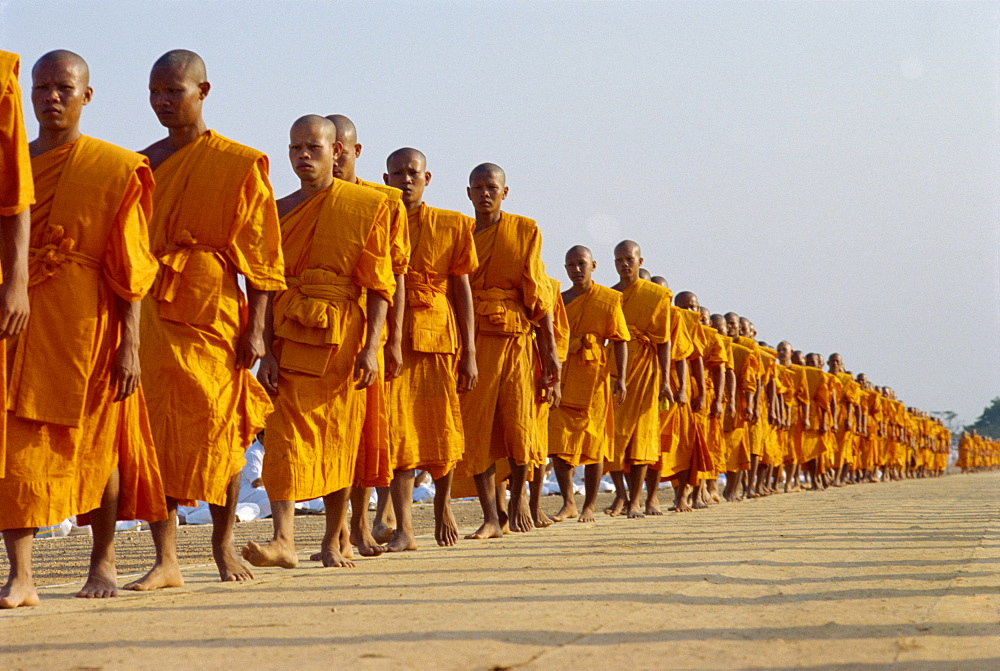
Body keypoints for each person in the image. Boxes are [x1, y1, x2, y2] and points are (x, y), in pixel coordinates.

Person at [3, 50, 165, 609]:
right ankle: (21, 575)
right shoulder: (13, 168)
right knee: (16, 450)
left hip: (89, 329)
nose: (51, 96)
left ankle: (104, 560)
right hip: (18, 325)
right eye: (42, 86)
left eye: (63, 88)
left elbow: (132, 268)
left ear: (86, 96)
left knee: (101, 448)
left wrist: (131, 347)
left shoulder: (115, 168)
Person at [126, 50, 285, 590]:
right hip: (151, 313)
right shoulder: (140, 165)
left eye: (174, 91)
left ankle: (221, 548)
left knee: (223, 429)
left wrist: (258, 327)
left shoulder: (238, 164)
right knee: (155, 432)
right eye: (155, 93)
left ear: (204, 91)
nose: (163, 102)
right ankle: (165, 559)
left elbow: (262, 260)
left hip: (214, 311)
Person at [241, 115, 393, 569]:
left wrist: (372, 347)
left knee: (340, 438)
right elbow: (263, 282)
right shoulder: (277, 207)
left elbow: (381, 286)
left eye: (313, 147)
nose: (303, 156)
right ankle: (283, 539)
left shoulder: (365, 205)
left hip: (342, 335)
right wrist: (263, 347)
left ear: (337, 152)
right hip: (287, 332)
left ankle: (333, 540)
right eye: (295, 148)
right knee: (283, 435)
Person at [381, 147, 478, 549]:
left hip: (438, 335)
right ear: (386, 180)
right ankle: (404, 527)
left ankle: (442, 507)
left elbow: (463, 290)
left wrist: (470, 352)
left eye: (413, 172)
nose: (406, 179)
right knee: (398, 432)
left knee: (442, 429)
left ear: (428, 178)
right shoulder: (378, 218)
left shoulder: (453, 224)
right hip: (393, 338)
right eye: (398, 173)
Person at [457, 163, 559, 539]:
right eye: (478, 187)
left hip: (516, 338)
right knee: (477, 428)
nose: (485, 193)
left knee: (519, 425)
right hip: (474, 341)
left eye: (492, 187)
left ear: (505, 192)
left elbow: (539, 297)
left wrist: (550, 356)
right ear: (468, 193)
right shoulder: (460, 234)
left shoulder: (525, 231)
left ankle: (517, 504)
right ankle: (491, 516)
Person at [327, 114, 409, 556]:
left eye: (342, 147)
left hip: (366, 332)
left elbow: (395, 275)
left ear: (356, 151)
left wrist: (390, 341)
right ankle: (336, 530)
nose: (334, 155)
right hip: (317, 331)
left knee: (362, 435)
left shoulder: (383, 202)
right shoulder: (307, 200)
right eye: (328, 146)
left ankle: (358, 525)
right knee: (326, 433)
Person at [547, 246, 629, 523]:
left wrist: (622, 379)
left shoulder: (607, 299)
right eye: (570, 265)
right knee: (558, 441)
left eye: (581, 264)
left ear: (593, 265)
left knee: (594, 442)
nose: (576, 270)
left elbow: (619, 339)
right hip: (563, 374)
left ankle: (589, 506)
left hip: (595, 378)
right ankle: (569, 502)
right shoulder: (559, 300)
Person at [606, 241, 673, 518]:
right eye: (619, 259)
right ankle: (622, 495)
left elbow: (665, 341)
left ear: (640, 260)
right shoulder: (609, 296)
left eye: (629, 259)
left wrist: (666, 381)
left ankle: (638, 500)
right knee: (613, 436)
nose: (624, 264)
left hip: (646, 369)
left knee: (642, 436)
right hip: (614, 370)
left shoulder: (656, 295)